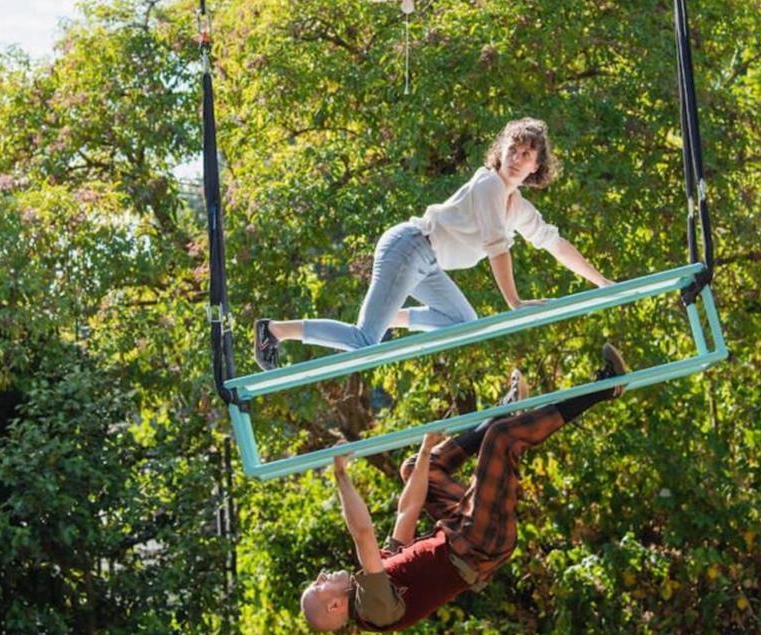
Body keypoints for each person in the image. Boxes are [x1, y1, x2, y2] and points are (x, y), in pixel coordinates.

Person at [299, 343, 629, 631]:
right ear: (334, 607)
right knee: (503, 439)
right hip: (478, 546)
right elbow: (362, 534)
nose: (323, 575)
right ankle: (604, 388)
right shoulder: (372, 609)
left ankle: (502, 413)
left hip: (458, 530)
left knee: (415, 468)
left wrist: (427, 451)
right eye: (320, 585)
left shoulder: (372, 583)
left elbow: (407, 511)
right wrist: (341, 476)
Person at [254, 117, 614, 371]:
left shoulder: (516, 206)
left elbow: (555, 243)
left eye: (526, 155)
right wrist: (515, 302)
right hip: (409, 247)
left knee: (463, 322)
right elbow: (497, 249)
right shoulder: (489, 185)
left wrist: (602, 283)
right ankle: (274, 330)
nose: (517, 159)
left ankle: (390, 315)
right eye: (513, 150)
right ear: (500, 152)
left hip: (427, 262)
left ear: (536, 166)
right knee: (365, 342)